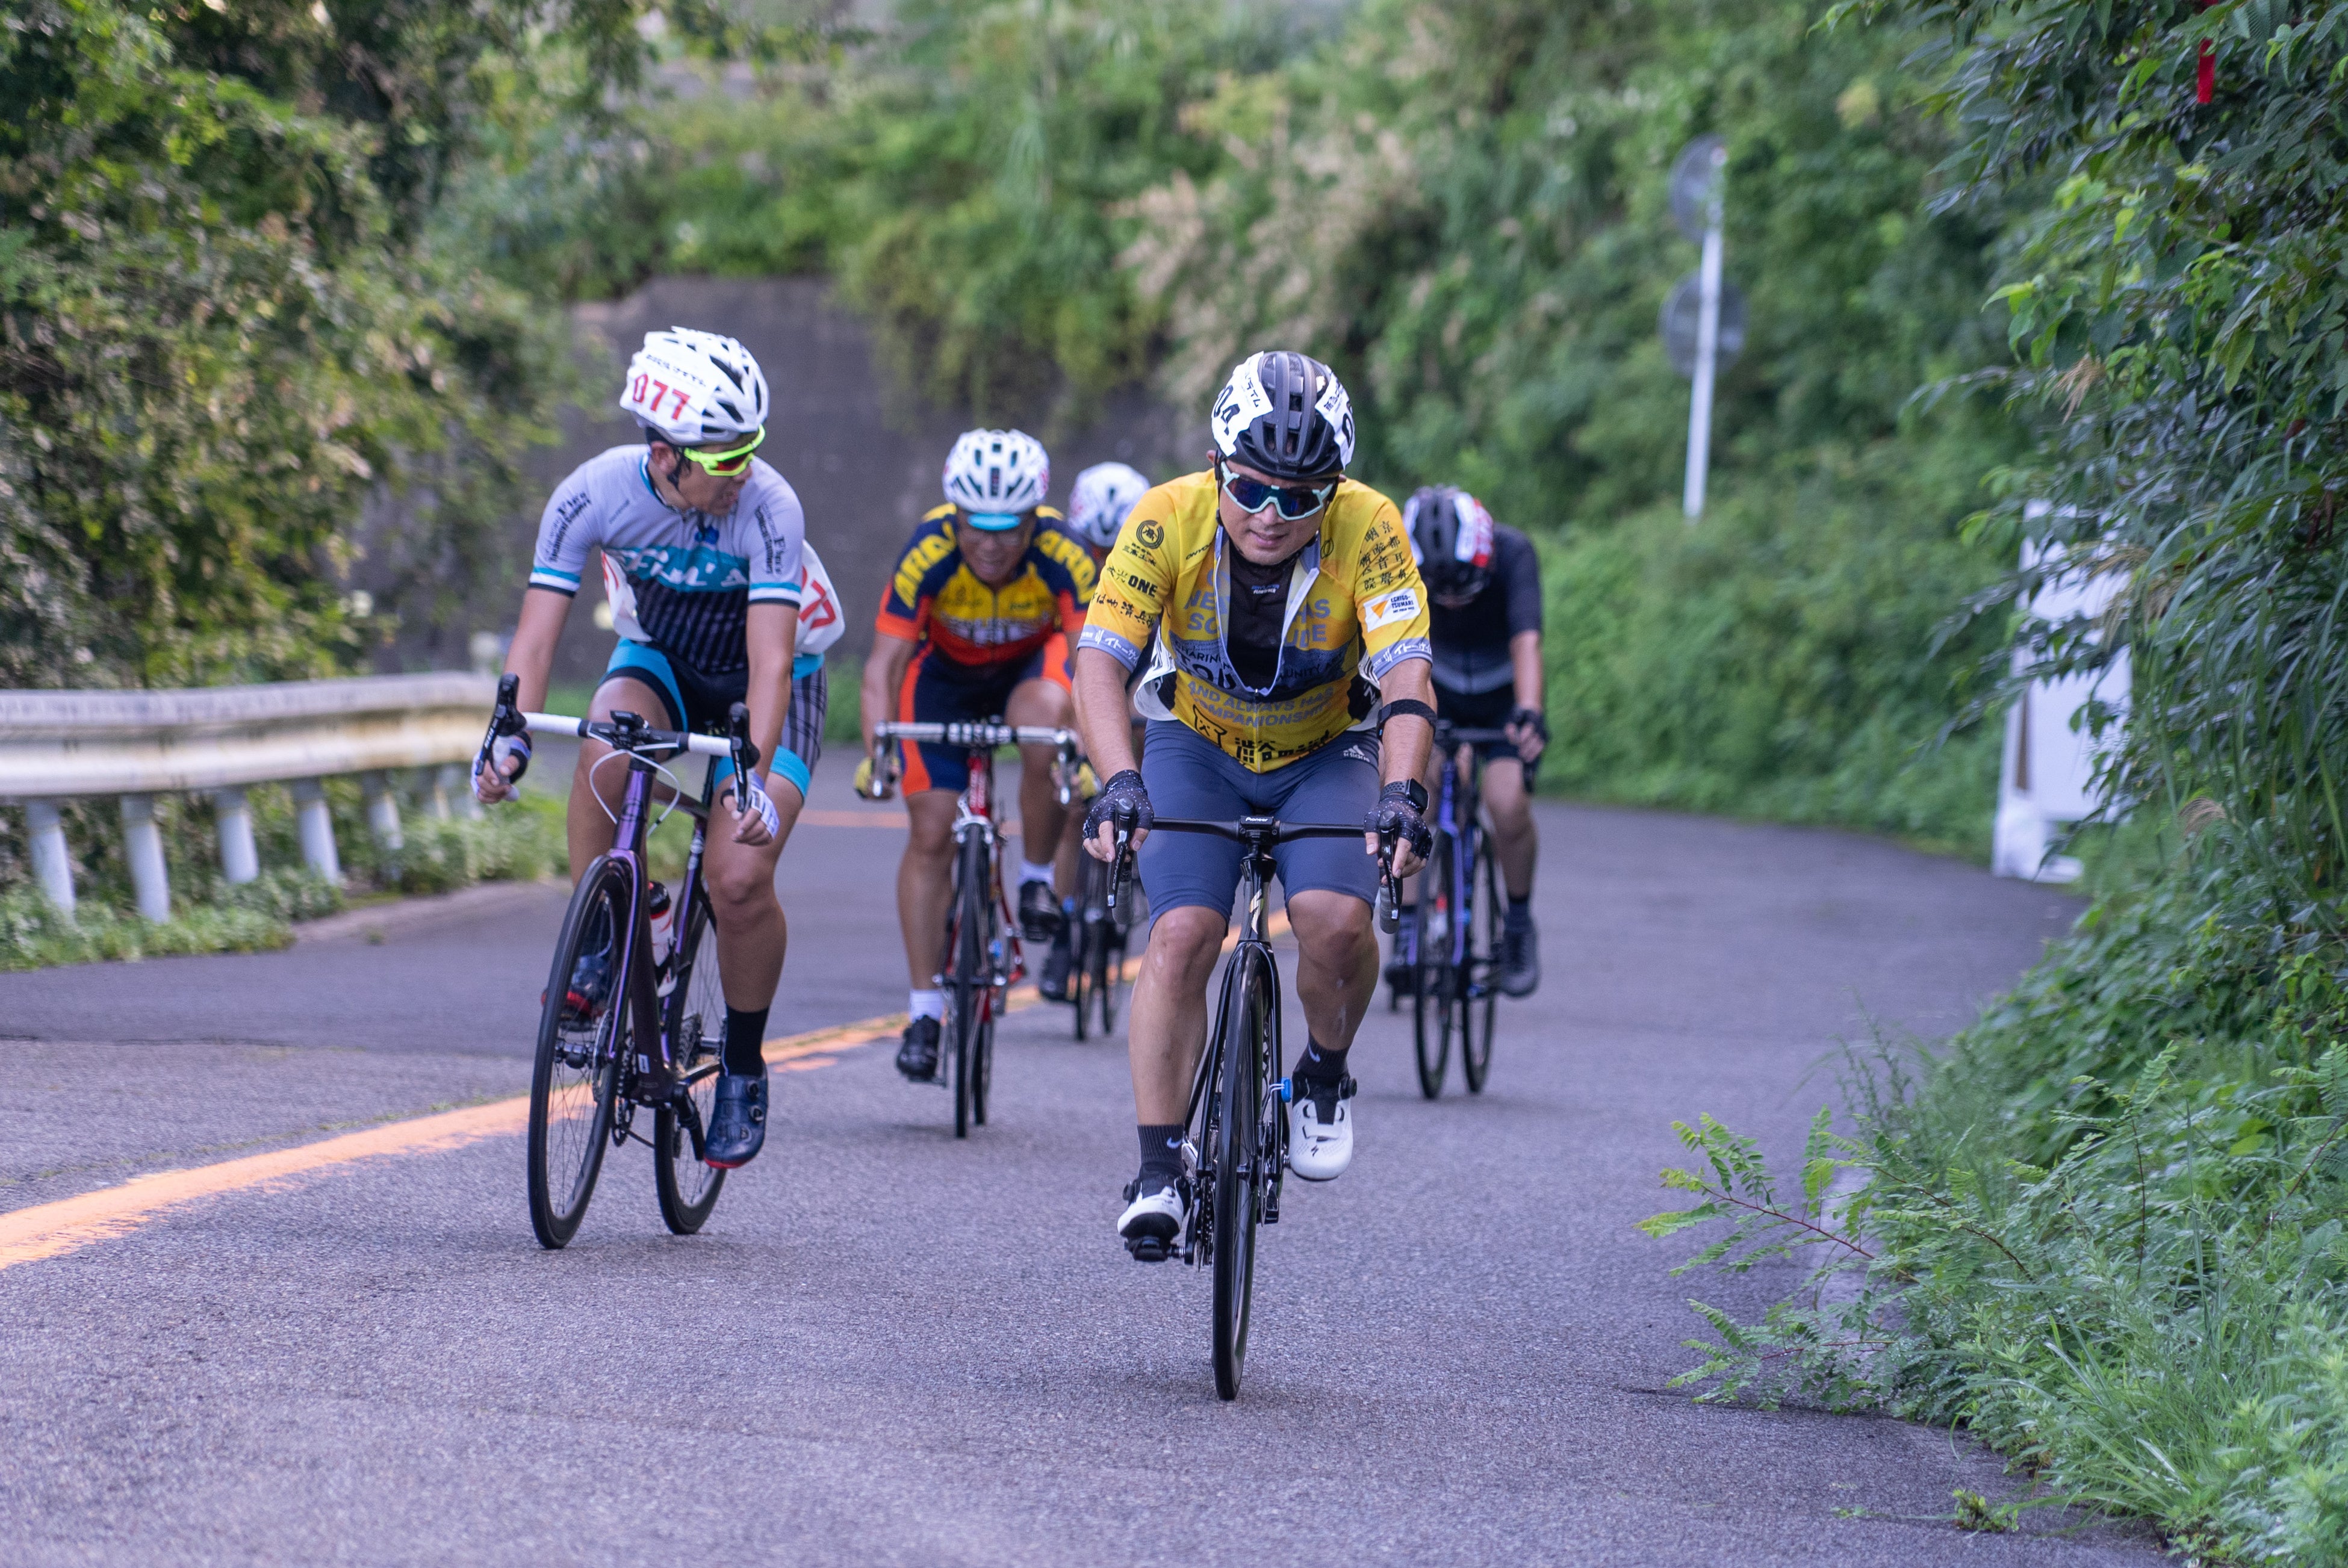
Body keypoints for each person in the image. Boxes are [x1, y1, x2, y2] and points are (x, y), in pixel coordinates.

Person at [1070, 350, 1435, 1260]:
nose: (1272, 515)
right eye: (1253, 488)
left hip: (1326, 749)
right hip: (1196, 744)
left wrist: (1401, 793)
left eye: (1301, 497)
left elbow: (1405, 672)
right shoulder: (1167, 517)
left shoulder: (1372, 526)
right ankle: (1158, 1167)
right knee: (1184, 933)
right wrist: (1119, 780)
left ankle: (1323, 1071)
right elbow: (1101, 663)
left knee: (1335, 920)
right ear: (1218, 465)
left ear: (1334, 491)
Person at [476, 327, 828, 1171]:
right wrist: (508, 734)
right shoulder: (590, 494)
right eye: (725, 454)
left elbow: (773, 661)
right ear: (665, 454)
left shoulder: (769, 506)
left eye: (753, 448)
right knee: (603, 747)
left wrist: (746, 778)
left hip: (768, 679)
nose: (743, 467)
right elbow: (536, 637)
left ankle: (742, 1064)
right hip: (662, 660)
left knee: (739, 877)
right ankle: (607, 925)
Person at [854, 429, 1096, 1082]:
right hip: (944, 682)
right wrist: (878, 748)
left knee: (1048, 723)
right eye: (977, 526)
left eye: (1009, 528)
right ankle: (926, 1011)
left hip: (1028, 674)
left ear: (1034, 520)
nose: (992, 543)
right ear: (954, 516)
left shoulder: (1066, 554)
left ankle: (1038, 881)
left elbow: (1091, 662)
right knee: (930, 833)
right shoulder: (927, 549)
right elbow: (885, 664)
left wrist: (1089, 747)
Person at [1386, 486, 1547, 997]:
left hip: (1503, 701)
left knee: (1506, 801)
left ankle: (1518, 924)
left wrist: (1530, 712)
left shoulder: (1514, 553)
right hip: (1441, 694)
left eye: (1465, 587)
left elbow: (1528, 641)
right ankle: (1409, 930)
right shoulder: (1398, 562)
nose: (1453, 599)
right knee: (1419, 792)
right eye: (1442, 589)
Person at [1036, 460, 1154, 1002]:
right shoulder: (1067, 574)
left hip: (1147, 658)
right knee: (1072, 804)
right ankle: (1063, 929)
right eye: (1093, 548)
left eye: (1115, 549)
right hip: (1091, 650)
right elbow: (1072, 669)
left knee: (1145, 738)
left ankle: (1132, 871)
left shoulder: (1155, 563)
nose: (1103, 561)